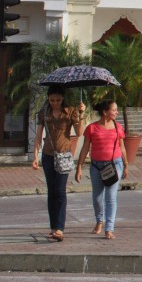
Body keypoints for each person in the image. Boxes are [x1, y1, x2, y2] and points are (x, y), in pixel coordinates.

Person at [32, 86, 83, 242]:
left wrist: (81, 114)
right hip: (48, 155)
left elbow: (79, 132)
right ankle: (53, 226)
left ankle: (60, 228)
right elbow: (39, 136)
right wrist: (35, 157)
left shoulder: (70, 111)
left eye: (58, 100)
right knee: (52, 191)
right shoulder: (44, 113)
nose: (55, 103)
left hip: (64, 155)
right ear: (48, 99)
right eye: (52, 100)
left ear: (63, 99)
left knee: (60, 191)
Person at [75, 100, 128, 240]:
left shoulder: (118, 127)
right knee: (97, 198)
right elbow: (85, 147)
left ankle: (109, 228)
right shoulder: (92, 128)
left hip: (114, 165)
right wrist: (79, 166)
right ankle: (99, 220)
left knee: (111, 197)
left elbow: (122, 147)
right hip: (96, 166)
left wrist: (126, 164)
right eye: (114, 110)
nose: (117, 112)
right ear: (105, 112)